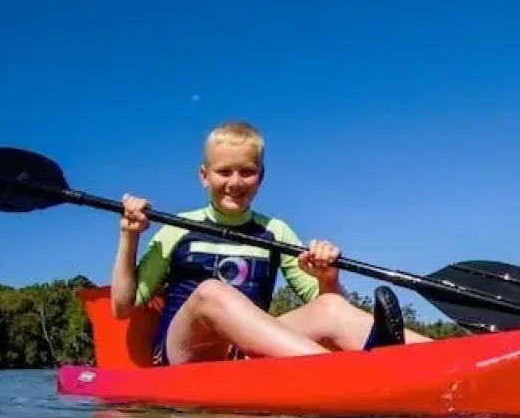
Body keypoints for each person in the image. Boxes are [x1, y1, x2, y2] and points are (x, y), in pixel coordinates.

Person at [111, 119, 429, 365]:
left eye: (246, 172)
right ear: (204, 176)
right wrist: (129, 236)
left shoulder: (275, 231)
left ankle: (439, 357)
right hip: (184, 353)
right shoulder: (176, 229)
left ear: (260, 177)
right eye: (224, 172)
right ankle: (339, 370)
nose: (235, 183)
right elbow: (122, 307)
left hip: (244, 354)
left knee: (331, 306)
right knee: (210, 293)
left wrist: (327, 276)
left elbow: (326, 304)